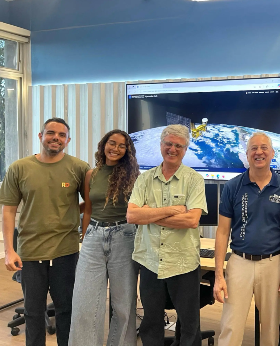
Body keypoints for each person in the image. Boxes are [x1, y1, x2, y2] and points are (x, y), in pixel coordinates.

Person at [0, 117, 90, 346]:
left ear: (67, 140)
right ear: (41, 136)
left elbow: (90, 204)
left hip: (66, 252)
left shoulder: (79, 168)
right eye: (50, 133)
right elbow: (9, 211)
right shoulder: (19, 168)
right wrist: (9, 250)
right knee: (33, 312)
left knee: (66, 310)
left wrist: (69, 212)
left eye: (61, 135)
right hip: (30, 252)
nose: (55, 138)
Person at [126, 124, 207, 346]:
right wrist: (173, 210)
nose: (172, 149)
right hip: (150, 259)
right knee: (151, 321)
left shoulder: (194, 179)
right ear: (161, 145)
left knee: (190, 323)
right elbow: (132, 215)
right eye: (168, 144)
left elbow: (191, 220)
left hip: (183, 262)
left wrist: (149, 214)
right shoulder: (144, 179)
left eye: (178, 146)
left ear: (185, 149)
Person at [213, 132, 280, 346]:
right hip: (239, 262)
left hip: (274, 263)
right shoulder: (233, 186)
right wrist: (219, 274)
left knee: (270, 330)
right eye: (254, 148)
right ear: (247, 155)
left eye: (264, 147)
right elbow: (222, 232)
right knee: (230, 326)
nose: (259, 152)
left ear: (272, 153)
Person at [69, 130, 140, 346]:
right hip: (93, 236)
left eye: (122, 146)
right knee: (84, 302)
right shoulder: (92, 174)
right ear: (103, 144)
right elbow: (88, 210)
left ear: (127, 151)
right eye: (112, 143)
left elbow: (137, 212)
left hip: (124, 236)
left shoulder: (135, 176)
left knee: (123, 304)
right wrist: (85, 237)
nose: (115, 149)